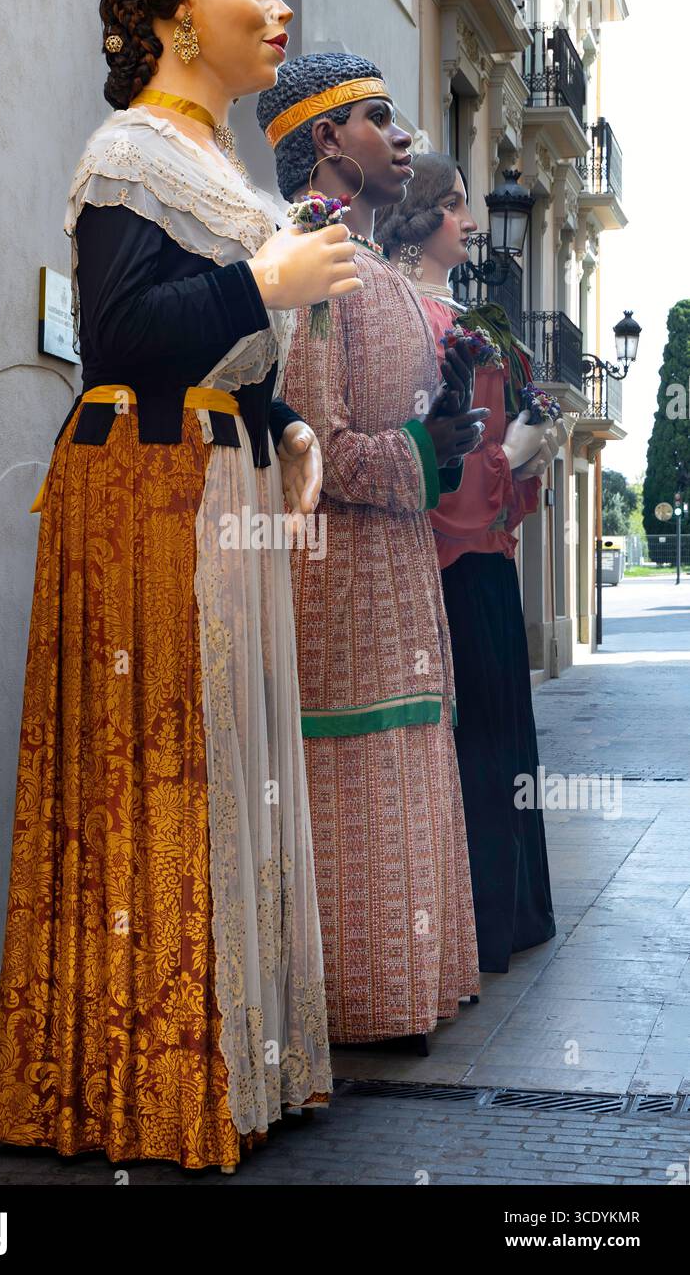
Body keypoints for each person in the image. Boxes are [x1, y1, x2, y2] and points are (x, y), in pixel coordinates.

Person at [0, 0, 362, 1173]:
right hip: (146, 506)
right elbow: (126, 340)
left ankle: (234, 1058)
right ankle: (137, 1072)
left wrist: (291, 426)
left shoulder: (223, 175)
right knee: (171, 773)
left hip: (219, 498)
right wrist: (268, 280)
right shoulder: (128, 154)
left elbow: (230, 359)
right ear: (170, 4)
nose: (279, 4)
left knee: (229, 767)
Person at [256, 54, 488, 1046]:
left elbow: (386, 425)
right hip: (340, 592)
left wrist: (448, 432)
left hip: (398, 582)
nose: (402, 138)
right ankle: (354, 1006)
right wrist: (424, 454)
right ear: (324, 141)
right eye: (378, 118)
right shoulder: (312, 251)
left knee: (404, 764)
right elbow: (313, 439)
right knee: (358, 777)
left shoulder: (379, 269)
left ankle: (400, 997)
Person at [377, 153, 560, 973]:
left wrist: (529, 455)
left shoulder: (465, 319)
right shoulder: (404, 316)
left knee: (501, 744)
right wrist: (504, 463)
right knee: (475, 746)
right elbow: (441, 464)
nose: (471, 220)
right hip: (446, 564)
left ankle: (509, 916)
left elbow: (490, 464)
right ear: (420, 217)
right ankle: (478, 926)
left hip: (487, 564)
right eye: (454, 206)